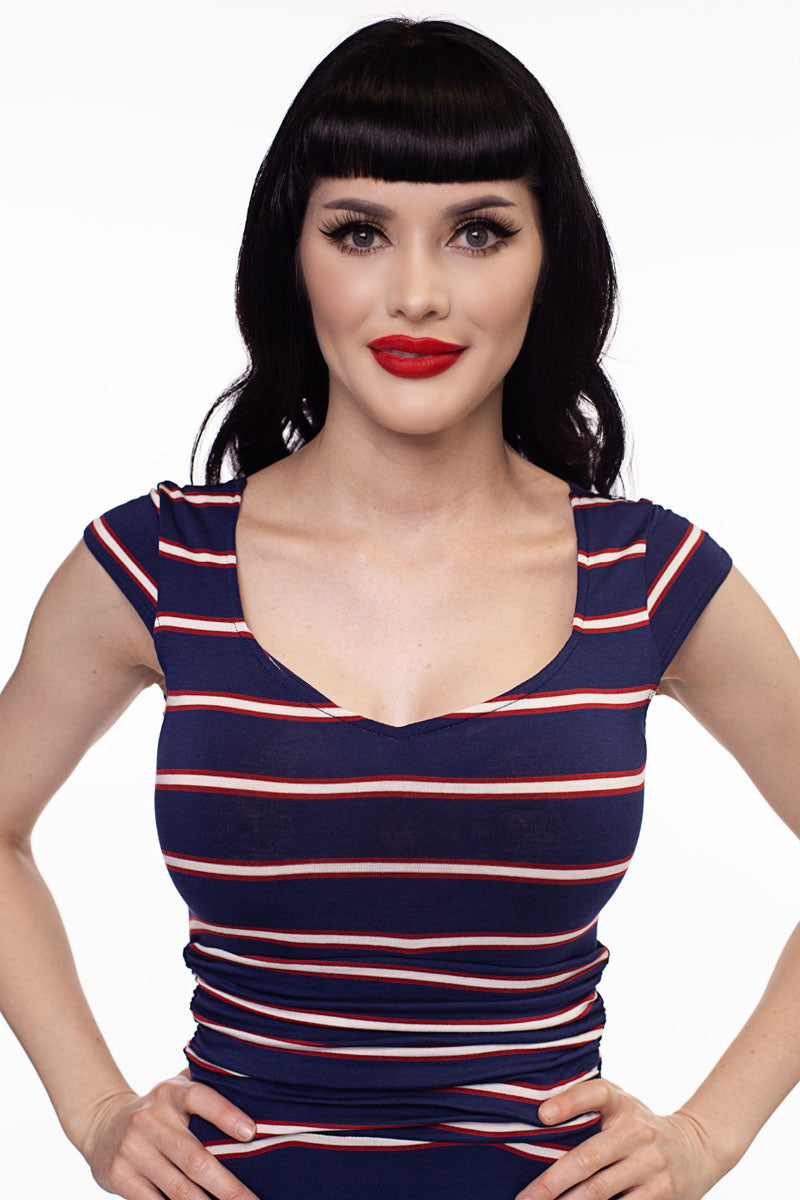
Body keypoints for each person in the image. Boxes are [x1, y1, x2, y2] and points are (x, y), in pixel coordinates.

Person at [1, 14, 799, 1200]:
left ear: (548, 257)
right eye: (359, 231)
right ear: (293, 254)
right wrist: (93, 1110)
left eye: (478, 231)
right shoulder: (157, 563)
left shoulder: (647, 574)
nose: (416, 293)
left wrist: (707, 1136)